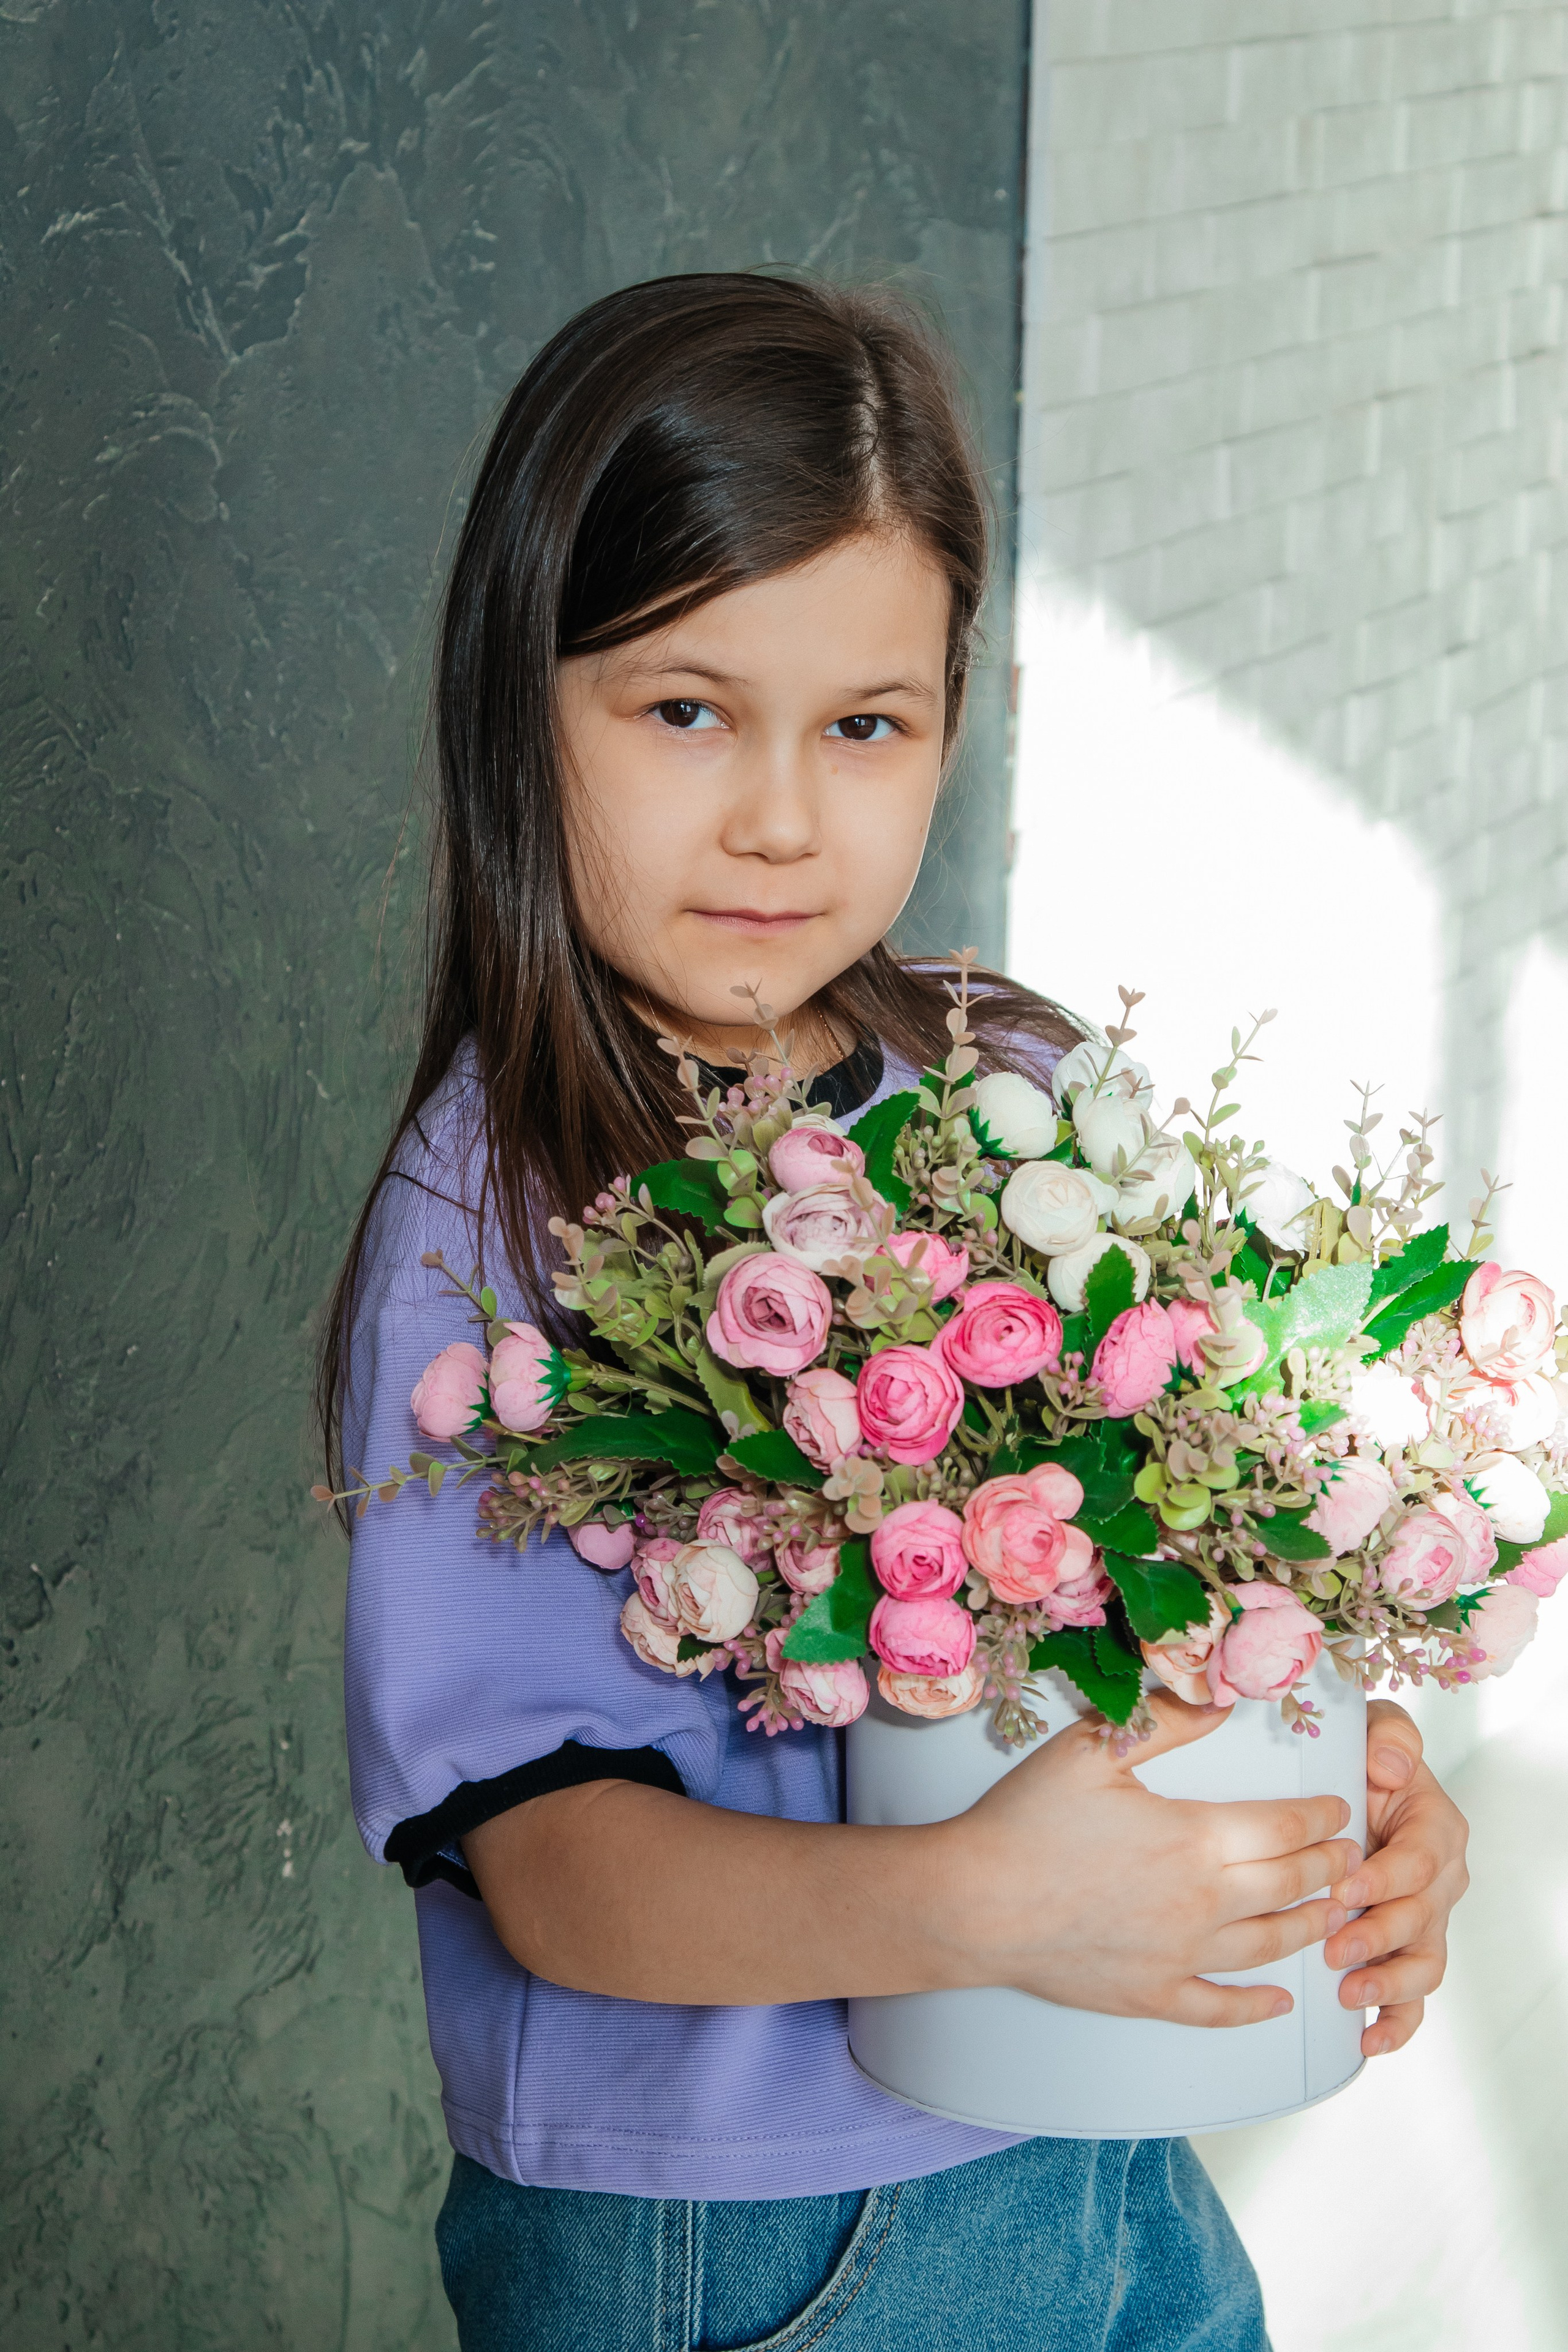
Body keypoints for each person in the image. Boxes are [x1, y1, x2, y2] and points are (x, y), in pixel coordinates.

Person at [322, 274, 1469, 2352]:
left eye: (866, 725)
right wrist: (975, 1908)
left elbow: (1146, 1582)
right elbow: (551, 1867)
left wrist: (1354, 1806)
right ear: (523, 703)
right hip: (744, 2242)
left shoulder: (998, 1085)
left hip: (1099, 2138)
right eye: (686, 710)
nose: (781, 817)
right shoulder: (491, 1219)